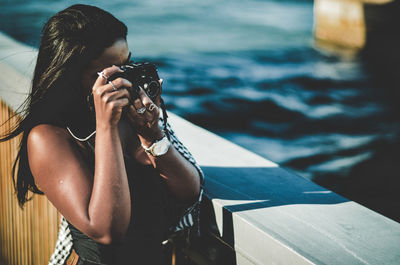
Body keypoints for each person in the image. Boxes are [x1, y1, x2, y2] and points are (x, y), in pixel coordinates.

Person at [0, 4, 204, 265]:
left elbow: (189, 191)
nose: (126, 79)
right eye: (111, 73)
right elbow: (107, 230)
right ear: (70, 76)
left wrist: (153, 135)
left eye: (127, 64)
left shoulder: (132, 115)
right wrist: (106, 126)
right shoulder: (48, 137)